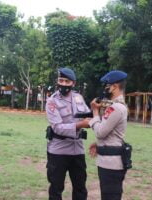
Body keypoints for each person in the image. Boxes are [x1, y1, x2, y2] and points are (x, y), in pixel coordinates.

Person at [45, 67, 90, 200]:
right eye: (61, 80)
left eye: (67, 81)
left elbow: (87, 114)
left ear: (73, 83)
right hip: (59, 150)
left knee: (80, 188)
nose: (63, 84)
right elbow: (58, 127)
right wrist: (81, 124)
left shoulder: (78, 97)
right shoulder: (52, 101)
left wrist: (96, 112)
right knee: (56, 189)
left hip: (78, 150)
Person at [88, 70, 129, 200]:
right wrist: (99, 145)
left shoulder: (116, 108)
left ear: (115, 86)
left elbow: (100, 132)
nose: (105, 88)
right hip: (109, 162)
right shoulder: (116, 106)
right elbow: (112, 134)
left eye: (107, 85)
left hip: (111, 164)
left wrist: (94, 113)